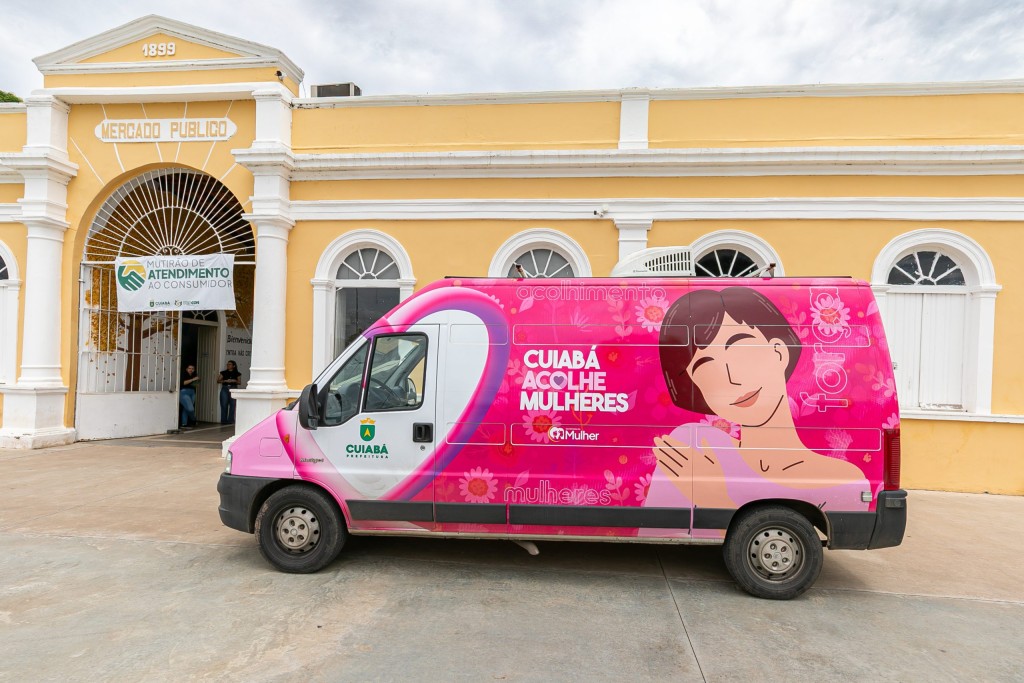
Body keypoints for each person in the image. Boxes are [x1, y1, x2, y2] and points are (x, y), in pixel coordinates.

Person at [652, 287, 868, 512]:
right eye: (707, 368)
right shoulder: (694, 444)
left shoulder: (843, 479)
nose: (732, 380)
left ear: (779, 352)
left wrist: (715, 499)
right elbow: (655, 527)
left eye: (742, 352)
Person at [217, 360, 243, 424]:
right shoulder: (223, 372)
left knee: (233, 405)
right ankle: (223, 420)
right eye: (227, 364)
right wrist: (225, 381)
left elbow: (239, 382)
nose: (228, 365)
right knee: (224, 404)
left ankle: (231, 420)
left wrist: (234, 381)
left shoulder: (237, 373)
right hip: (225, 388)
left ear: (233, 366)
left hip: (233, 388)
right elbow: (218, 381)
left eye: (230, 364)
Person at [179, 364, 200, 430]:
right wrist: (193, 379)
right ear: (186, 369)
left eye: (192, 369)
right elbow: (183, 383)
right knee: (190, 409)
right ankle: (193, 419)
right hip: (184, 392)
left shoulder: (194, 375)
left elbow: (196, 385)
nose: (191, 370)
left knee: (186, 408)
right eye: (189, 368)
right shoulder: (183, 374)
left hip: (192, 392)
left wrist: (197, 381)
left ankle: (184, 424)